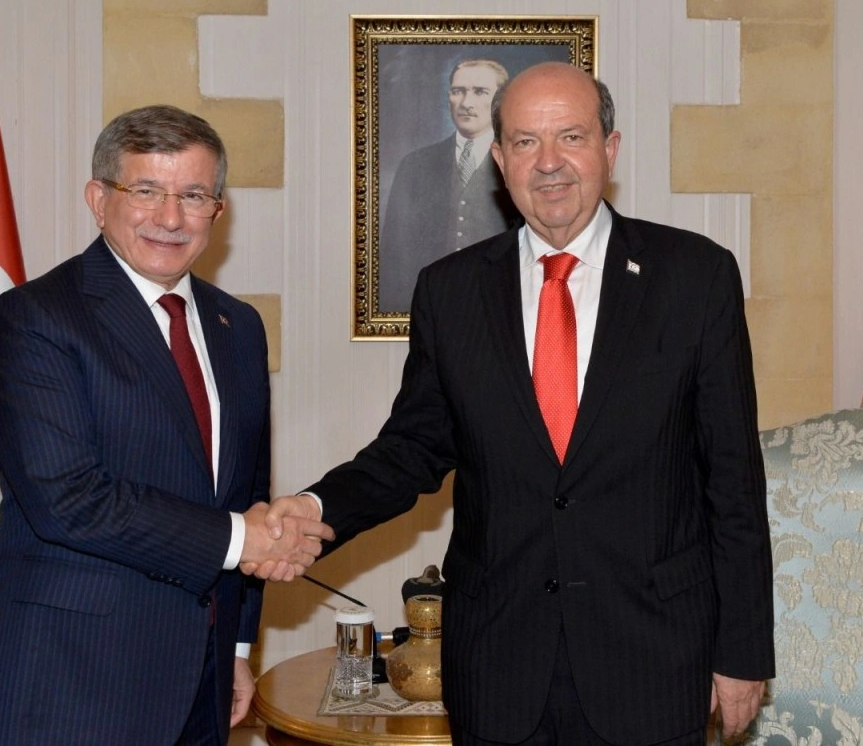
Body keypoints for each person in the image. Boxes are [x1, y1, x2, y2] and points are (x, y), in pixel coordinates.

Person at [259, 63, 774, 745]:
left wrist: (742, 653)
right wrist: (317, 509)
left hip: (651, 657)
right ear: (500, 160)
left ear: (610, 149)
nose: (549, 162)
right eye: (526, 142)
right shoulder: (451, 292)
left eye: (571, 137)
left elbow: (733, 482)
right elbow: (412, 448)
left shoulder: (695, 276)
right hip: (500, 663)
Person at [0, 105, 333, 746]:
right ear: (98, 199)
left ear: (218, 210)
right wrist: (242, 539)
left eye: (193, 196)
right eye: (146, 191)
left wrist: (237, 646)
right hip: (70, 681)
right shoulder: (35, 318)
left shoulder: (237, 326)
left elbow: (245, 488)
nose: (170, 218)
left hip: (203, 678)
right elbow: (67, 499)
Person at [378, 58, 520, 313]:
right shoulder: (415, 165)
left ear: (501, 101)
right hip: (434, 309)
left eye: (479, 92)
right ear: (448, 99)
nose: (466, 103)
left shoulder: (518, 163)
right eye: (458, 91)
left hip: (501, 309)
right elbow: (395, 254)